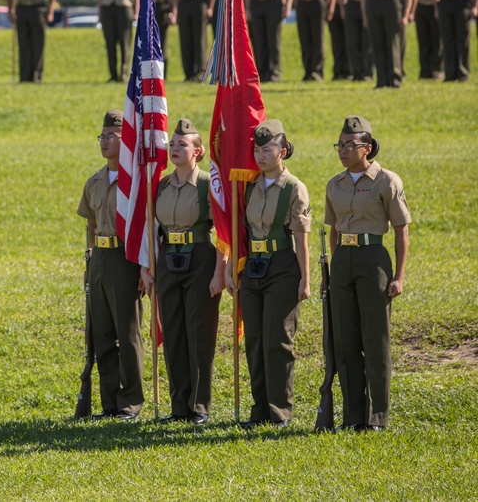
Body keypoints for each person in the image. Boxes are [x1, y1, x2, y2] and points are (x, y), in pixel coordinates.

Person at [324, 115, 410, 431]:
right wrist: (336, 265)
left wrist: (398, 276)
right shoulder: (335, 184)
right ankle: (352, 416)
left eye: (350, 145)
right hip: (343, 260)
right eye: (340, 145)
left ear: (368, 147)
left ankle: (377, 416)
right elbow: (332, 228)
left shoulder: (386, 180)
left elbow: (401, 230)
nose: (343, 150)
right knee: (345, 341)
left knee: (375, 340)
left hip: (373, 257)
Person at [225, 120, 311, 428]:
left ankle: (280, 411)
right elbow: (241, 232)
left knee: (278, 340)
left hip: (283, 266)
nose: (261, 156)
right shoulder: (249, 186)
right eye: (257, 150)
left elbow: (301, 238)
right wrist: (229, 266)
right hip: (253, 267)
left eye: (268, 149)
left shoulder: (293, 188)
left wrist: (305, 278)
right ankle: (259, 408)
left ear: (283, 151)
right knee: (256, 340)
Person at [141, 119, 223, 425]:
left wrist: (220, 272)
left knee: (198, 334)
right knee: (173, 332)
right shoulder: (161, 184)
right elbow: (152, 227)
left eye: (182, 144)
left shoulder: (207, 185)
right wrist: (148, 267)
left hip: (200, 257)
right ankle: (179, 407)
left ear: (198, 151)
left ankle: (199, 406)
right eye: (172, 144)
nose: (175, 149)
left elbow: (224, 233)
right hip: (169, 259)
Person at [77, 109, 145, 420]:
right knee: (101, 332)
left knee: (127, 332)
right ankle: (109, 402)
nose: (104, 142)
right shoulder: (95, 181)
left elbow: (145, 224)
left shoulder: (135, 182)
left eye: (111, 137)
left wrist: (144, 266)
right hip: (100, 257)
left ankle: (130, 401)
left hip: (124, 256)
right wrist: (90, 261)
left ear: (126, 139)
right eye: (101, 137)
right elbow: (90, 223)